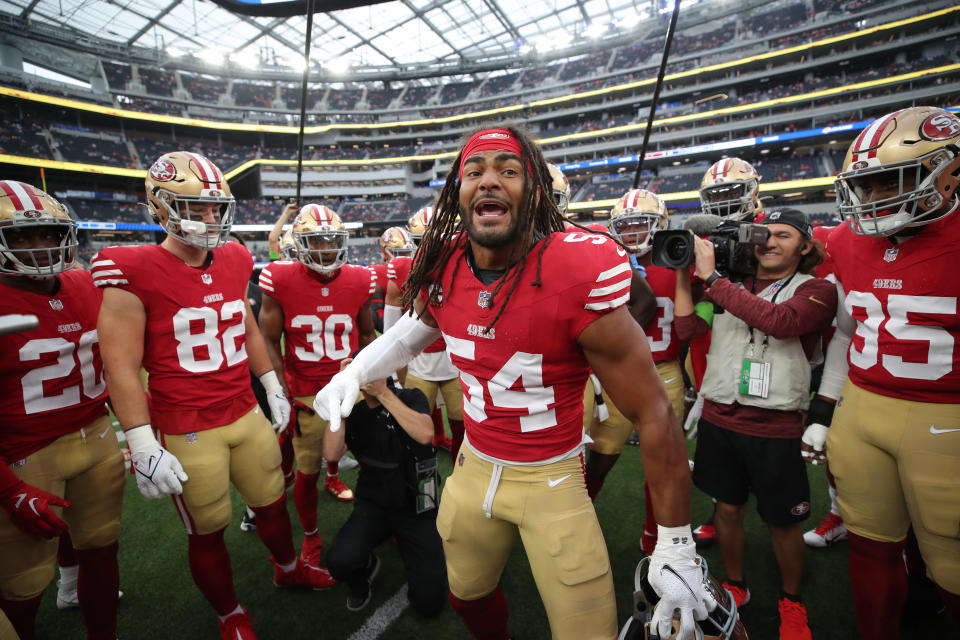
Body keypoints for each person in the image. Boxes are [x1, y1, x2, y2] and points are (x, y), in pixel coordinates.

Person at [314, 125, 710, 640]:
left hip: (553, 478)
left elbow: (655, 412)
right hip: (473, 468)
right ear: (458, 194)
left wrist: (676, 542)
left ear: (536, 192)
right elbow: (418, 329)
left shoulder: (576, 268)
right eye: (474, 172)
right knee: (466, 593)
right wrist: (356, 371)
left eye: (508, 170)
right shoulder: (446, 260)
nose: (488, 181)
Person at [93, 152, 335, 640]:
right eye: (195, 208)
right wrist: (142, 443)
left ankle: (286, 566)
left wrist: (270, 385)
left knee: (271, 502)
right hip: (188, 425)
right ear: (161, 208)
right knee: (207, 529)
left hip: (245, 410)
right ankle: (230, 614)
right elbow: (119, 366)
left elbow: (243, 324)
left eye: (213, 209)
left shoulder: (235, 255)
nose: (208, 219)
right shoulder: (130, 266)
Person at [805, 106, 960, 638]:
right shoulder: (848, 241)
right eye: (864, 185)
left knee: (951, 564)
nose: (871, 200)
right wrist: (825, 409)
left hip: (947, 421)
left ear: (947, 172)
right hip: (862, 409)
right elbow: (847, 330)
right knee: (870, 546)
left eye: (889, 182)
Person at [673, 207, 837, 640]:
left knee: (783, 521)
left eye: (783, 235)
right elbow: (687, 330)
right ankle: (735, 584)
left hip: (775, 425)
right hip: (719, 417)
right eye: (765, 234)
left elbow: (781, 323)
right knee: (726, 508)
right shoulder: (728, 286)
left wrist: (712, 280)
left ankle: (791, 599)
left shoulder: (818, 288)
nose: (769, 242)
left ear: (805, 246)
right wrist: (681, 275)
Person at [0, 182, 124, 640]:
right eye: (21, 237)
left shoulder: (83, 281)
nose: (40, 248)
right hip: (26, 454)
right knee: (23, 584)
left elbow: (109, 362)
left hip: (96, 435)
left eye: (48, 234)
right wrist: (10, 488)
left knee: (102, 550)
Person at [258, 203, 376, 565]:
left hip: (350, 382)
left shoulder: (359, 278)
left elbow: (369, 335)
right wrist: (280, 392)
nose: (325, 248)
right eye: (316, 241)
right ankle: (310, 534)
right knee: (307, 470)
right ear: (300, 243)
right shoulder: (279, 278)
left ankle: (369, 509)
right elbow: (268, 342)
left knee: (370, 456)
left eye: (331, 240)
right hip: (307, 389)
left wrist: (376, 382)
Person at [591, 188, 684, 557]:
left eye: (640, 225)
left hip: (663, 368)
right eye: (625, 227)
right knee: (602, 451)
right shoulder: (607, 260)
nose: (631, 234)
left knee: (662, 463)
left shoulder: (678, 258)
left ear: (660, 225)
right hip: (618, 369)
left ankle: (654, 535)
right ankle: (578, 517)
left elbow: (699, 318)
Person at [324, 360, 446, 615]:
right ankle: (365, 571)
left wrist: (383, 393)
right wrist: (338, 403)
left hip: (418, 505)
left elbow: (425, 434)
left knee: (429, 603)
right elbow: (331, 453)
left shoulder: (411, 396)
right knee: (339, 562)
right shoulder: (355, 412)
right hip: (374, 503)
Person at [384, 205, 463, 459]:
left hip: (456, 359)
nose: (434, 250)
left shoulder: (469, 266)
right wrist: (392, 371)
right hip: (419, 359)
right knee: (416, 429)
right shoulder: (400, 268)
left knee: (464, 426)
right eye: (424, 242)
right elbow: (390, 327)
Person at [699, 158, 763, 221]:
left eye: (732, 193)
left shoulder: (768, 225)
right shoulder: (704, 230)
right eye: (716, 196)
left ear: (752, 187)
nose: (722, 200)